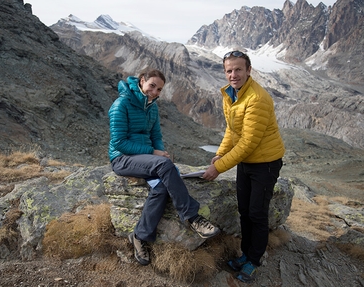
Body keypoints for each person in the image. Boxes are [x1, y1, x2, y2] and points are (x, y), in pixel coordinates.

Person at [108, 69, 220, 266]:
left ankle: (139, 236)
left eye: (159, 89)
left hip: (146, 159)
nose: (155, 92)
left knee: (161, 188)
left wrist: (160, 152)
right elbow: (119, 143)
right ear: (141, 81)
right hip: (123, 159)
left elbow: (156, 135)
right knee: (164, 164)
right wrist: (154, 154)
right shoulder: (121, 104)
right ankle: (192, 217)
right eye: (152, 86)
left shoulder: (151, 108)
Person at [202, 51, 285, 283]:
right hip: (247, 162)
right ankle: (246, 255)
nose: (233, 74)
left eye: (238, 69)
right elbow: (232, 129)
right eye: (229, 70)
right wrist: (220, 153)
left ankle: (254, 261)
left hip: (265, 164)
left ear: (248, 70)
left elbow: (248, 142)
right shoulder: (231, 94)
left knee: (257, 213)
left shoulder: (256, 98)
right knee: (245, 211)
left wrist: (219, 168)